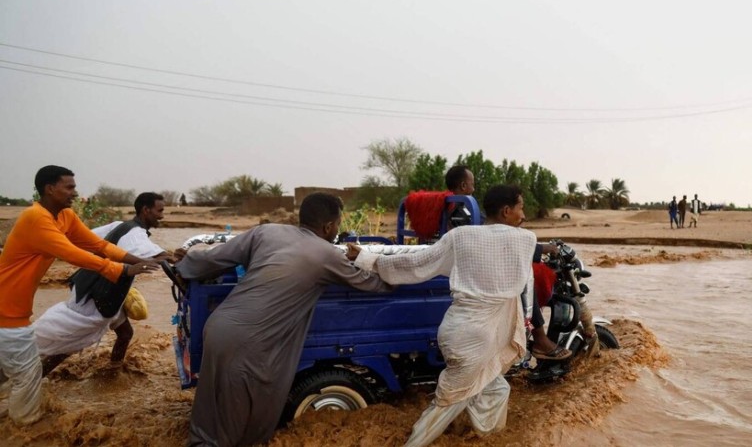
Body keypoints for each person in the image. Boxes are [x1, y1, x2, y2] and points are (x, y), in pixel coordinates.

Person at [176, 192, 391, 447]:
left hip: (219, 326)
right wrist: (396, 268)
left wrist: (182, 264)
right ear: (328, 226)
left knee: (212, 406)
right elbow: (372, 284)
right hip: (249, 341)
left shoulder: (266, 232)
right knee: (241, 420)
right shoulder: (327, 254)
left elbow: (215, 258)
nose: (337, 231)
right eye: (338, 225)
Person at [350, 185, 536, 446]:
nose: (523, 215)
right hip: (478, 339)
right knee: (448, 401)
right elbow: (519, 265)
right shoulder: (526, 239)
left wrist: (370, 259)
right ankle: (414, 443)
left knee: (496, 388)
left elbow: (417, 263)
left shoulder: (460, 236)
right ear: (506, 211)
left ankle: (487, 438)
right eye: (521, 207)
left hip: (458, 330)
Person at [0, 166, 157, 425]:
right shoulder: (36, 219)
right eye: (69, 187)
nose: (75, 192)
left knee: (15, 370)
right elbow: (73, 254)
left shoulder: (65, 216)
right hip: (6, 313)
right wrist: (123, 270)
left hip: (16, 312)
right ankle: (25, 426)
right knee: (27, 373)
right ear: (50, 189)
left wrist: (138, 260)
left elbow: (99, 245)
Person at [34, 192, 175, 376]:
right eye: (160, 210)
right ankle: (35, 378)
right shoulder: (135, 234)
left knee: (125, 334)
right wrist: (181, 258)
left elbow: (88, 238)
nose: (162, 215)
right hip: (95, 297)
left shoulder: (121, 226)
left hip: (94, 287)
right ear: (146, 210)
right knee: (69, 344)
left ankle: (112, 373)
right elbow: (158, 257)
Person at [444, 166, 566, 360]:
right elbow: (498, 238)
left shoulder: (450, 206)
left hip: (471, 261)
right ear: (463, 185)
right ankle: (540, 339)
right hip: (481, 264)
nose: (473, 189)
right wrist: (544, 248)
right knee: (527, 277)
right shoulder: (465, 210)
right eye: (472, 184)